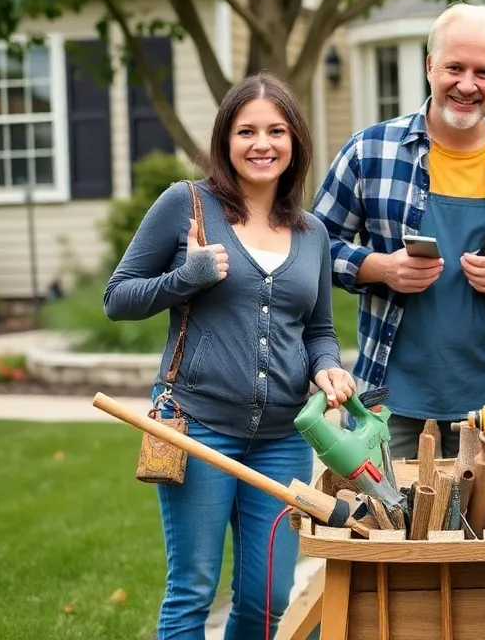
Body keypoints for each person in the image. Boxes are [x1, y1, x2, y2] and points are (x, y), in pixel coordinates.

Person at [104, 73, 356, 639]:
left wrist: (327, 365)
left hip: (283, 436)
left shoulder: (311, 231)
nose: (261, 144)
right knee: (192, 591)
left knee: (268, 598)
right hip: (198, 428)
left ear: (294, 143)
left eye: (276, 131)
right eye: (246, 131)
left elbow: (317, 329)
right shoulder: (186, 205)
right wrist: (185, 278)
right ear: (225, 139)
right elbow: (117, 297)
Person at [311, 2, 485, 468]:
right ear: (429, 66)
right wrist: (378, 267)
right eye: (454, 67)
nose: (466, 84)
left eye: (483, 71)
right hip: (390, 398)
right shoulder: (370, 151)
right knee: (394, 533)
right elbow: (310, 246)